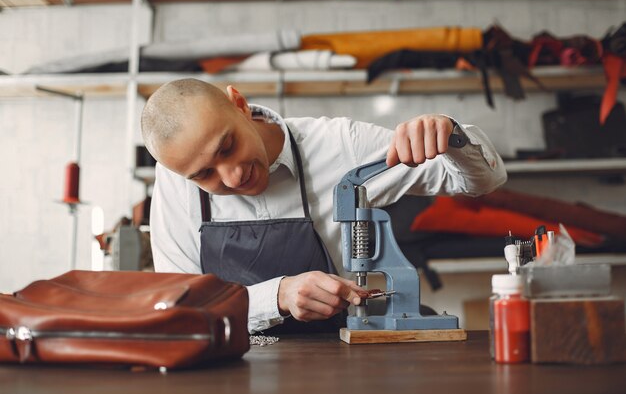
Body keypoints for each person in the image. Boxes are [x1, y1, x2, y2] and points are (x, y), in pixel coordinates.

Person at [141, 78, 507, 334]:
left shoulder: (338, 144)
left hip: (339, 356)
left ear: (240, 104)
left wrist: (450, 136)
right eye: (205, 174)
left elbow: (483, 182)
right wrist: (277, 296)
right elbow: (183, 304)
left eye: (227, 147)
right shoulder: (175, 180)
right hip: (236, 364)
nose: (233, 176)